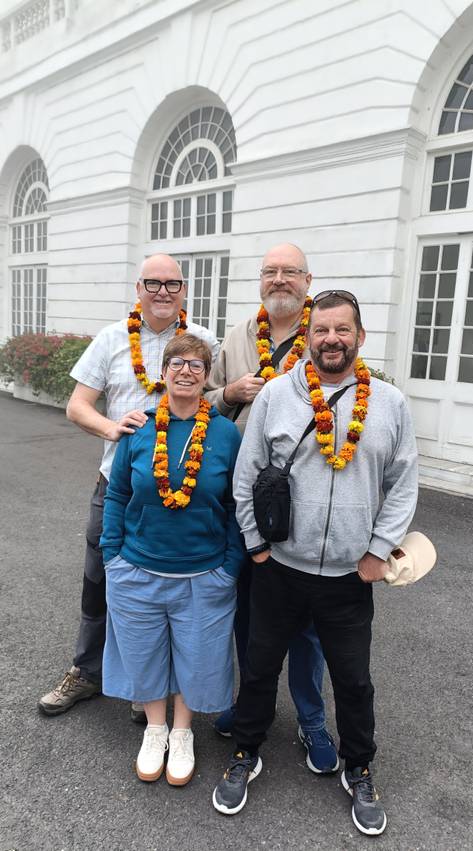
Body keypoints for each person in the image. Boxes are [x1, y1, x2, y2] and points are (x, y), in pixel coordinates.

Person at [212, 291, 418, 836]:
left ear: (360, 337)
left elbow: (402, 485)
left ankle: (360, 767)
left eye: (342, 330)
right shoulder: (279, 395)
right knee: (259, 670)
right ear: (308, 338)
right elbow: (247, 474)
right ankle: (245, 752)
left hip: (350, 576)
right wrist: (256, 544)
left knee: (353, 681)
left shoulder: (390, 405)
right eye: (322, 330)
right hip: (279, 567)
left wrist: (378, 552)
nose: (331, 339)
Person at [38, 255, 219, 719]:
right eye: (153, 283)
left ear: (184, 290)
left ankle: (151, 687)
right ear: (138, 287)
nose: (163, 291)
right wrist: (112, 428)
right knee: (100, 577)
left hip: (188, 484)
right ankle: (86, 671)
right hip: (119, 482)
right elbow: (78, 406)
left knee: (170, 588)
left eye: (172, 283)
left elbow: (212, 401)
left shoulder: (200, 341)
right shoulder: (112, 338)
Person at [206, 243, 337, 774]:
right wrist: (230, 391)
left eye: (290, 272)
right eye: (270, 272)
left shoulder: (327, 336)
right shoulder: (237, 338)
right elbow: (203, 396)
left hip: (308, 502)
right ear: (260, 281)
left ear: (308, 280)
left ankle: (311, 719)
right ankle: (247, 702)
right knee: (248, 612)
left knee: (308, 622)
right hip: (241, 498)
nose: (279, 280)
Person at [100, 334, 244, 785]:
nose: (186, 371)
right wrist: (112, 555)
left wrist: (229, 567)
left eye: (197, 366)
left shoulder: (224, 432)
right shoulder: (139, 427)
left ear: (207, 377)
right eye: (177, 363)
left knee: (196, 656)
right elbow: (119, 493)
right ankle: (155, 728)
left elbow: (238, 504)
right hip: (136, 568)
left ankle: (182, 733)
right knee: (144, 654)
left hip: (204, 572)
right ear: (163, 372)